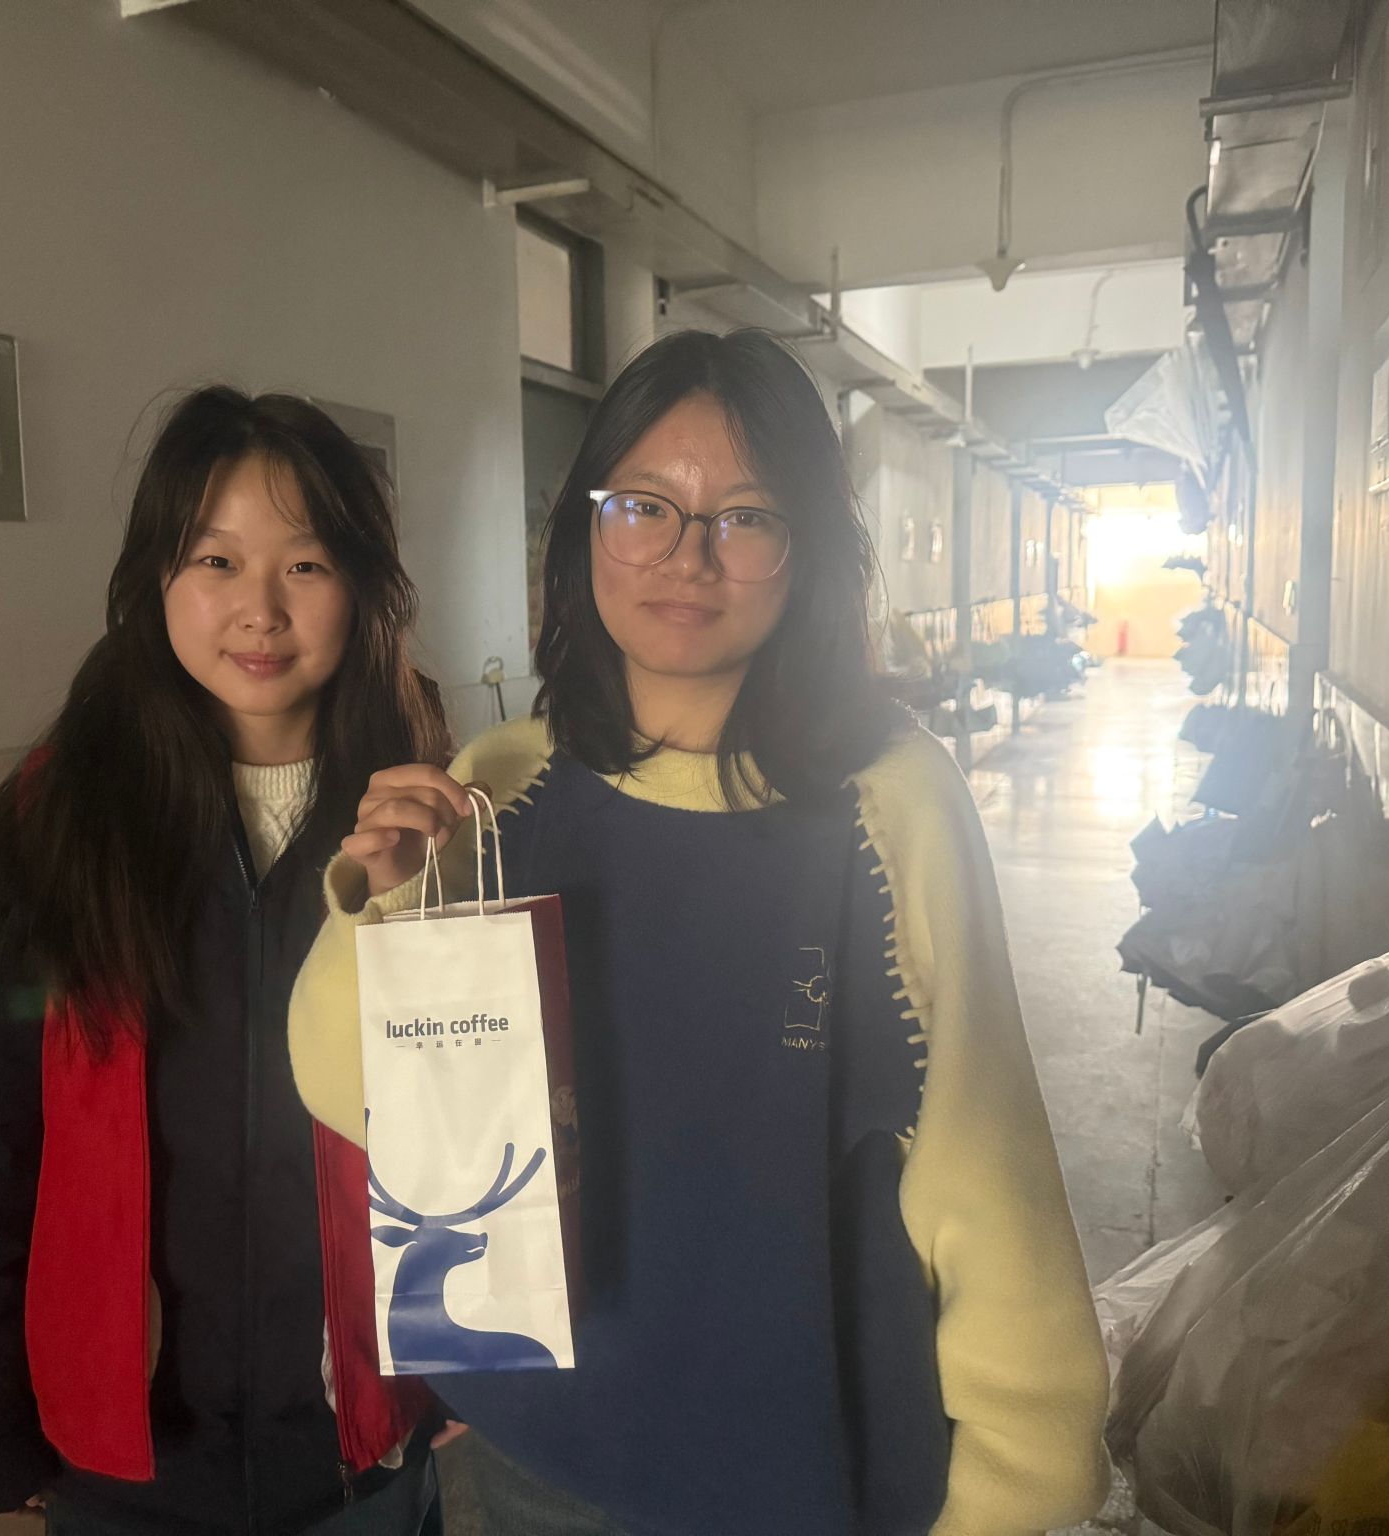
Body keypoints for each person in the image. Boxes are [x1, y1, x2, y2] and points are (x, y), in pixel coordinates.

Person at [288, 330, 1110, 1536]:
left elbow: (979, 1154)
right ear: (584, 528)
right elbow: (351, 1090)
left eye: (745, 517)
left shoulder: (888, 803)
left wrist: (1017, 1471)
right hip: (532, 1460)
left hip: (797, 1474)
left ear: (806, 550)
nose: (687, 556)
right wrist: (390, 901)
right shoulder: (502, 783)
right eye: (644, 508)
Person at [0, 387, 451, 1535]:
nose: (259, 609)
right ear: (155, 576)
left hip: (355, 1450)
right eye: (215, 560)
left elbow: (478, 1116)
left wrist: (466, 1358)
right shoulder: (49, 828)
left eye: (304, 564)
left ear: (363, 585)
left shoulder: (422, 819)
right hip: (126, 1463)